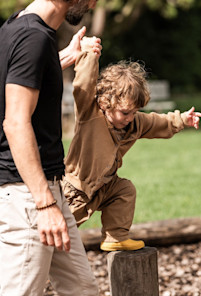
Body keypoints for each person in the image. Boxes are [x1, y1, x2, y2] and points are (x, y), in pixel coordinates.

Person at [0, 0, 102, 295]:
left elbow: (25, 74)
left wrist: (64, 57)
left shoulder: (19, 26)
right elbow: (14, 124)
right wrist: (45, 204)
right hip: (29, 196)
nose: (94, 2)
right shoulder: (34, 37)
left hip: (45, 190)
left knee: (82, 289)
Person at [62, 39, 201, 252]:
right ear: (105, 103)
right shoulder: (90, 116)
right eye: (125, 112)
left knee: (124, 189)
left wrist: (182, 119)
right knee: (49, 239)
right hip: (75, 191)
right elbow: (83, 85)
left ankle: (115, 237)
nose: (130, 118)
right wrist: (89, 54)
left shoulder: (134, 123)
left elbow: (158, 122)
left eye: (135, 112)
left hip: (105, 187)